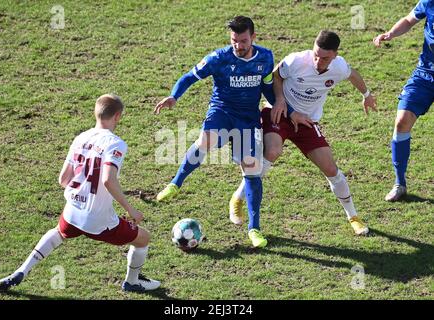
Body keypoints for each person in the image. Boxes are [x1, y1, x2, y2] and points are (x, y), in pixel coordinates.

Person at [0, 94, 160, 293]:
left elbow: (63, 179)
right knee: (143, 239)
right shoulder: (116, 143)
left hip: (72, 210)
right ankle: (132, 282)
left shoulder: (81, 137)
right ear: (117, 116)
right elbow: (108, 179)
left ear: (95, 113)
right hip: (98, 220)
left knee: (58, 233)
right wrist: (131, 210)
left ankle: (21, 270)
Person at [154, 16, 287, 248]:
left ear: (253, 37)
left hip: (248, 118)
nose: (238, 45)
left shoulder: (265, 57)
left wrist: (279, 103)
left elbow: (266, 84)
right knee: (206, 141)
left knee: (252, 170)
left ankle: (254, 229)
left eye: (243, 40)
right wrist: (174, 96)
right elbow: (189, 77)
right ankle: (175, 184)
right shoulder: (219, 58)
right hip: (222, 111)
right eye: (234, 40)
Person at [230, 31, 377, 236]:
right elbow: (276, 76)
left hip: (307, 121)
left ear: (335, 54)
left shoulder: (339, 67)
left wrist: (367, 95)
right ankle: (238, 198)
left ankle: (353, 216)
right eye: (316, 54)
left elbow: (353, 75)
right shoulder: (296, 60)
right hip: (280, 114)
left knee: (330, 168)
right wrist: (280, 100)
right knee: (272, 151)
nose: (318, 61)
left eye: (324, 58)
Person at [374, 0, 434, 202]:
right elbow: (409, 20)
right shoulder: (429, 2)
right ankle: (399, 184)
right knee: (402, 121)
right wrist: (391, 33)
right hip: (425, 73)